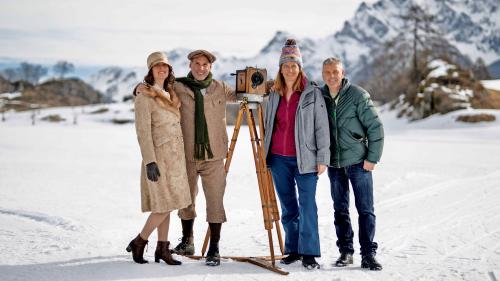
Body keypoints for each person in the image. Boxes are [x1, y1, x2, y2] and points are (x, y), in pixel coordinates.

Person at [136, 49, 236, 266]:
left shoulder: (220, 88)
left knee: (215, 201)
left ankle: (214, 248)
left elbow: (243, 93)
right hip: (185, 156)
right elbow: (155, 91)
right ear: (190, 65)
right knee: (185, 200)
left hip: (214, 155)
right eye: (197, 64)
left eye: (205, 65)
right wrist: (138, 88)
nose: (201, 68)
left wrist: (267, 85)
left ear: (210, 67)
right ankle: (187, 241)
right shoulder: (177, 87)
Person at [263, 39, 330, 270]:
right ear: (280, 69)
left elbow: (322, 126)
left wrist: (323, 157)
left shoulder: (312, 93)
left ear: (300, 68)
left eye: (294, 65)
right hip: (278, 158)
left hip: (306, 159)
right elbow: (268, 124)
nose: (290, 69)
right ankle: (292, 249)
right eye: (285, 65)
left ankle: (309, 252)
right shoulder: (274, 94)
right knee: (288, 206)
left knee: (307, 205)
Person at [126, 51, 192, 266]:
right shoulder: (145, 96)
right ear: (151, 70)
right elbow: (142, 131)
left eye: (165, 66)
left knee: (170, 203)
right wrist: (149, 161)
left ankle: (162, 249)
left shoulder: (170, 92)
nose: (162, 69)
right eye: (157, 67)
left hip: (176, 158)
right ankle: (140, 241)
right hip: (158, 158)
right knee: (162, 205)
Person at [321, 57, 384, 271]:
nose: (331, 76)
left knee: (365, 209)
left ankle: (368, 254)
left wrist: (372, 158)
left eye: (335, 72)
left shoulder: (358, 95)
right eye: (327, 72)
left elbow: (375, 127)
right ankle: (346, 252)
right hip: (335, 163)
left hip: (359, 162)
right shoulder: (321, 97)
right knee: (340, 210)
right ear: (323, 74)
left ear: (342, 72)